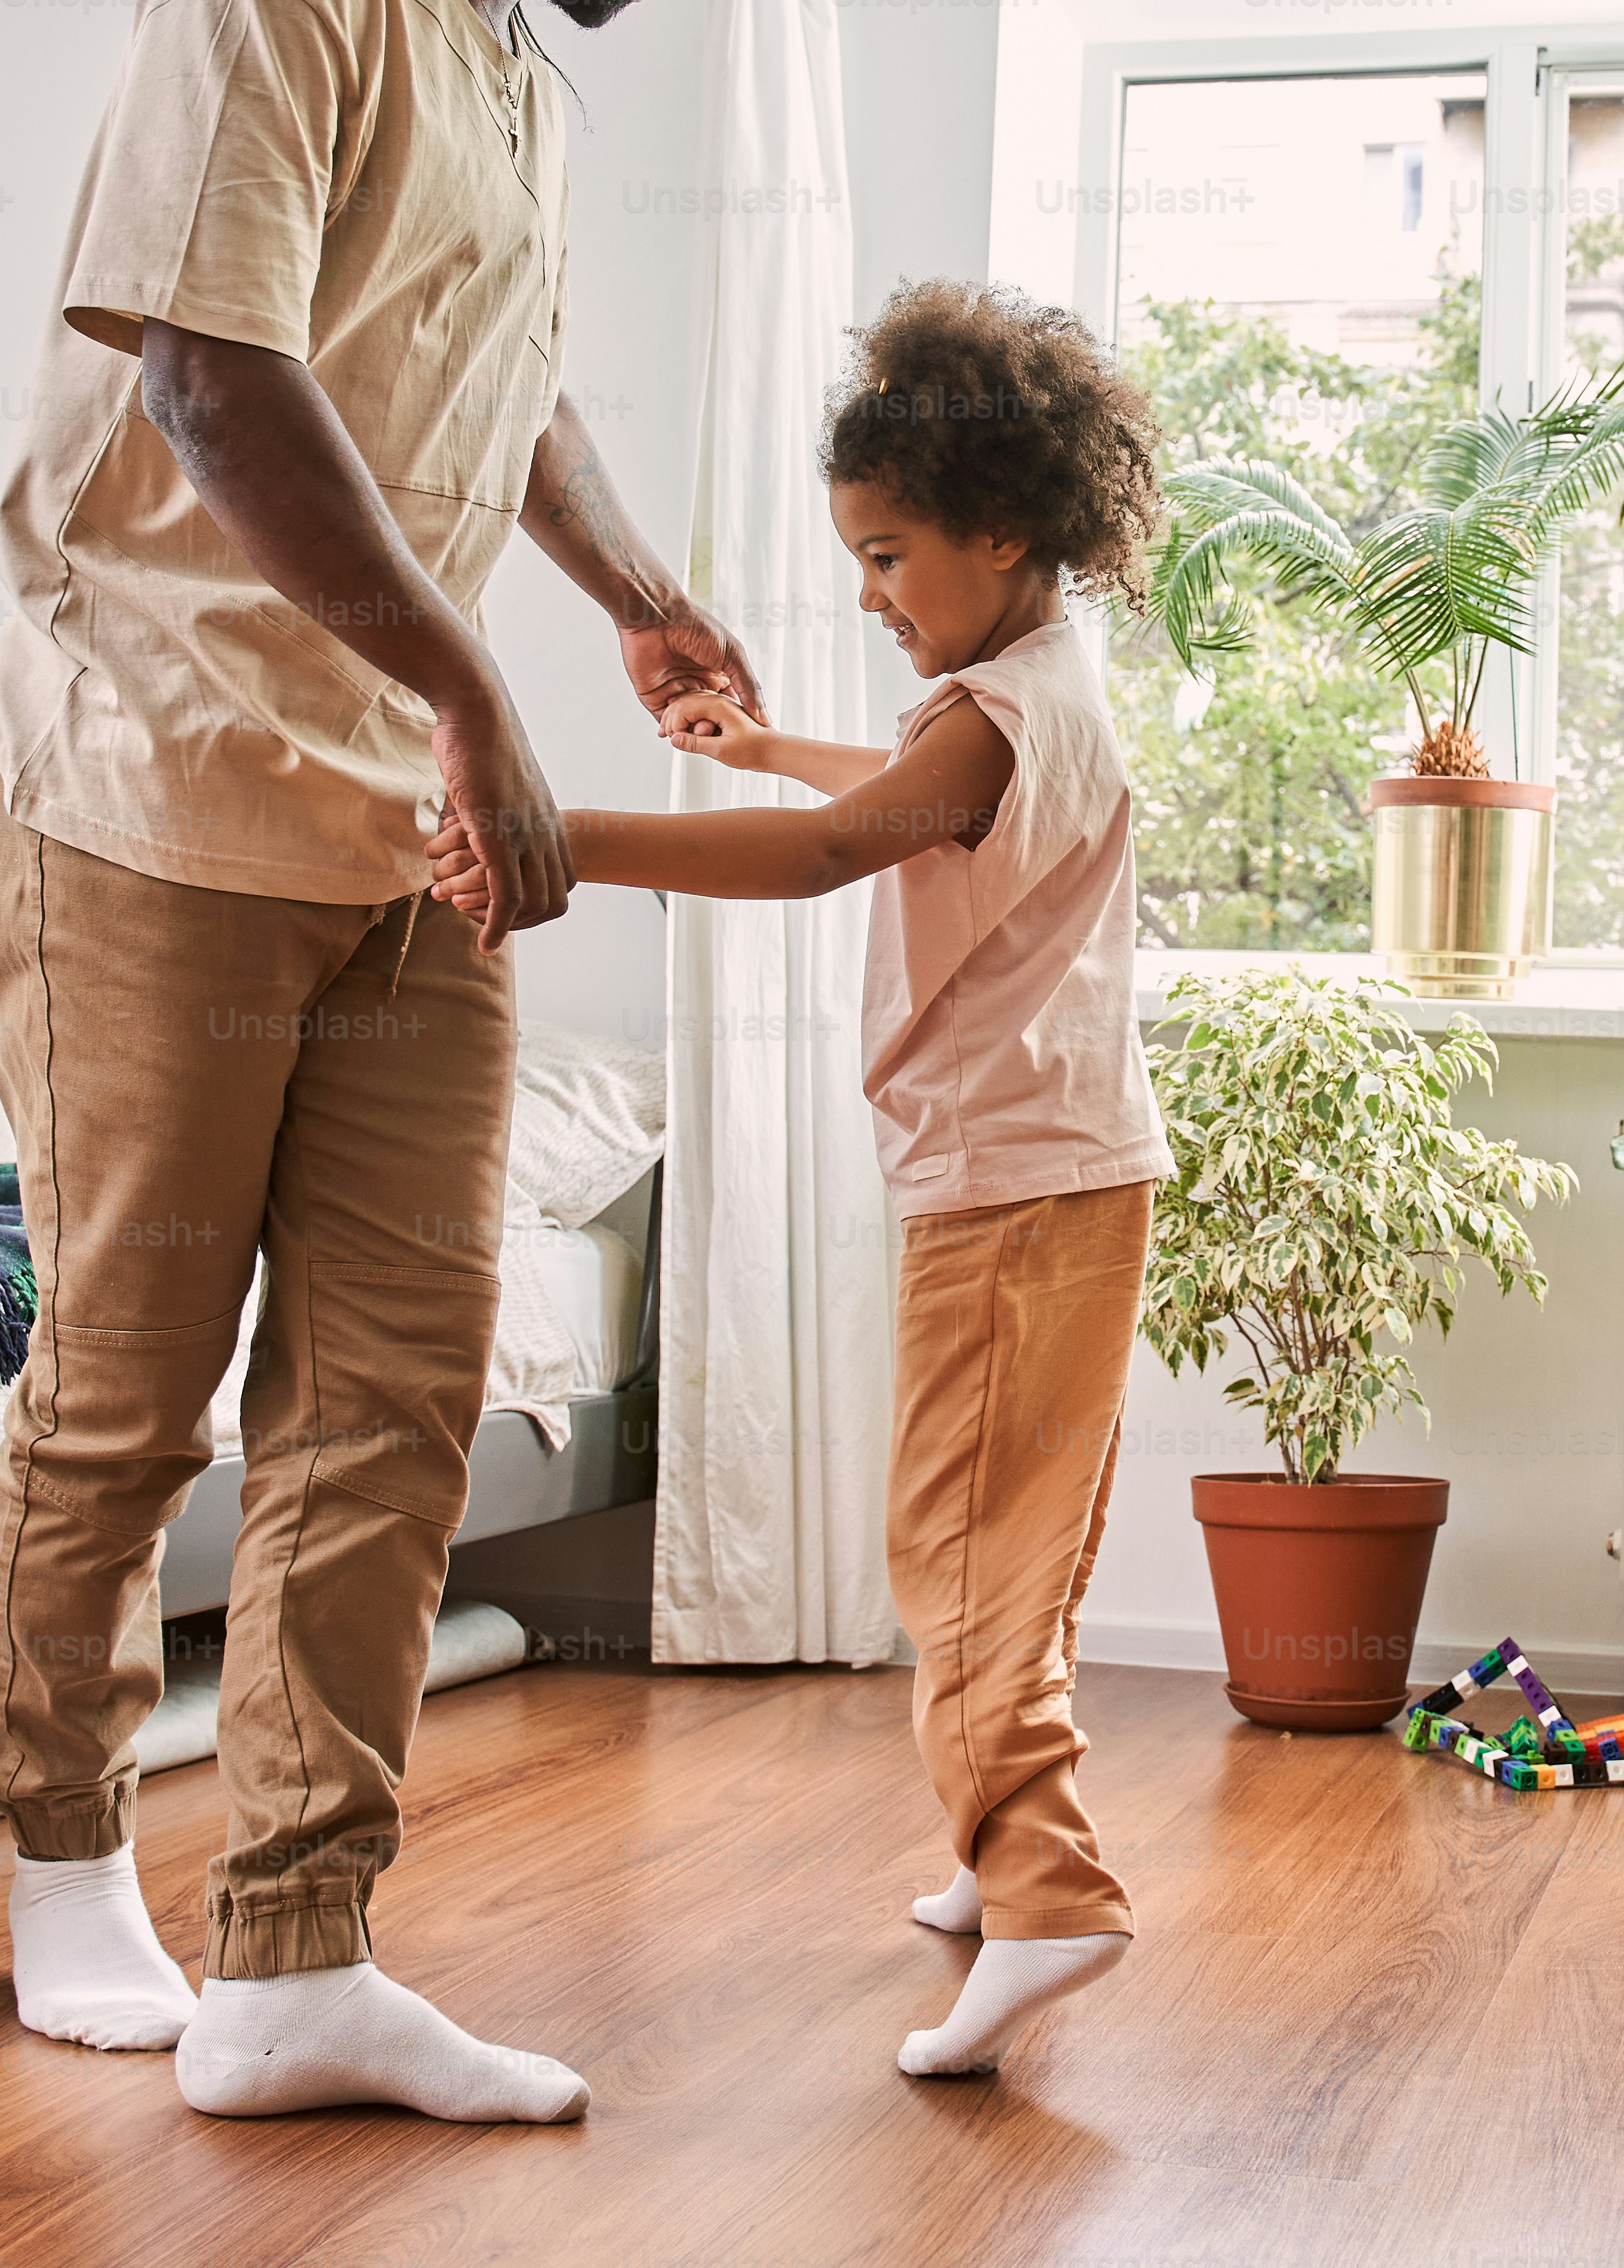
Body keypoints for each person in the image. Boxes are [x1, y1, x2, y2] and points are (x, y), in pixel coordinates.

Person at [0, 0, 801, 2125]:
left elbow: (495, 379)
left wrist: (635, 586)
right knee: (128, 1375)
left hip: (388, 837)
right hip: (152, 786)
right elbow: (215, 372)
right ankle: (59, 1860)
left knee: (401, 1387)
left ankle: (300, 1952)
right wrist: (477, 700)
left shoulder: (519, 87)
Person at [428, 279, 1173, 2077]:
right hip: (1050, 1173)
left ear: (1002, 531)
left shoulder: (994, 715)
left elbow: (854, 844)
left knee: (958, 1549)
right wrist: (761, 745)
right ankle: (999, 1859)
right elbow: (910, 792)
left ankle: (1051, 1891)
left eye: (889, 555)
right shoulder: (1025, 683)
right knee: (1018, 1542)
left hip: (1011, 1192)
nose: (866, 594)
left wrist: (561, 840)